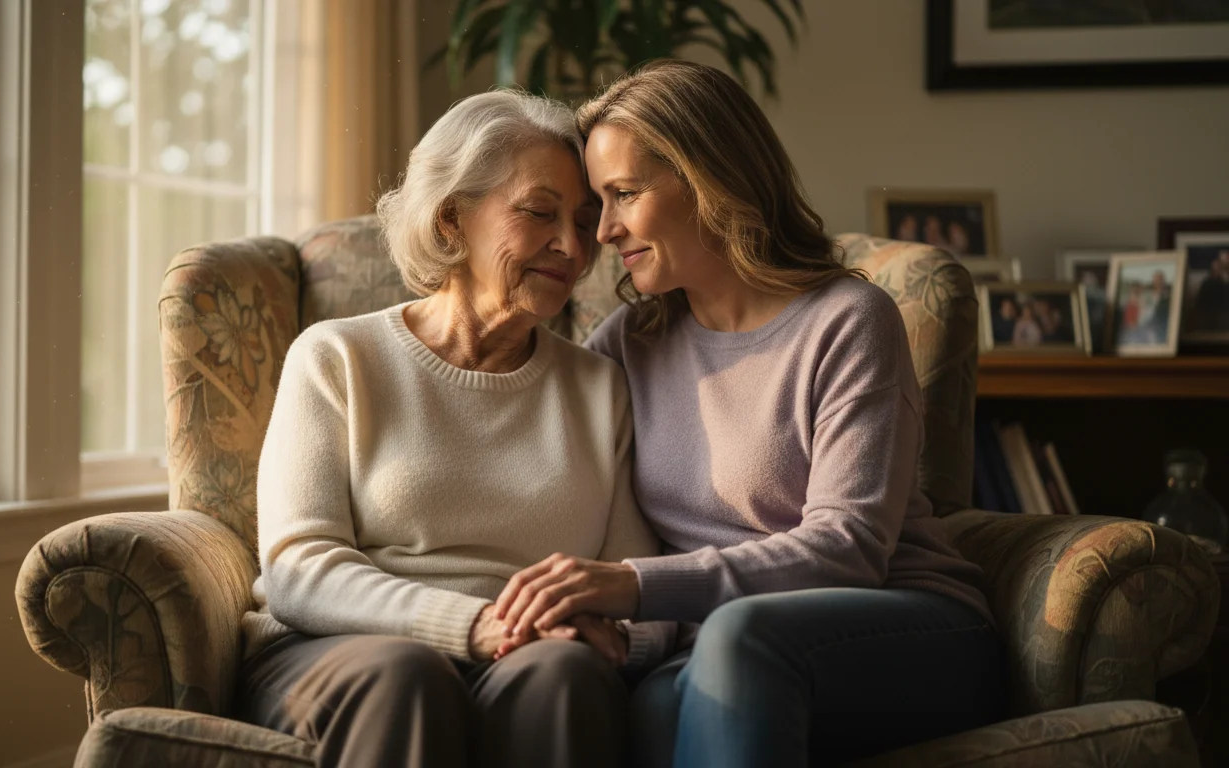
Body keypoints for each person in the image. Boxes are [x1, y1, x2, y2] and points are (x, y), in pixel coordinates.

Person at [491, 61, 1001, 767]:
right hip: (716, 648)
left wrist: (632, 587)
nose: (603, 231)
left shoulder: (848, 321)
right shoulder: (624, 347)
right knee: (650, 702)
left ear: (709, 179)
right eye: (598, 205)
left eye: (623, 195)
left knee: (738, 640)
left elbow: (848, 547)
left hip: (903, 627)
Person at [234, 89, 673, 768]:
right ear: (450, 220)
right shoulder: (337, 357)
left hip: (529, 656)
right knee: (407, 677)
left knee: (567, 678)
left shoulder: (597, 387)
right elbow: (299, 570)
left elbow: (635, 582)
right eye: (538, 213)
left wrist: (613, 639)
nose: (572, 247)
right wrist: (474, 625)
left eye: (585, 222)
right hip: (340, 653)